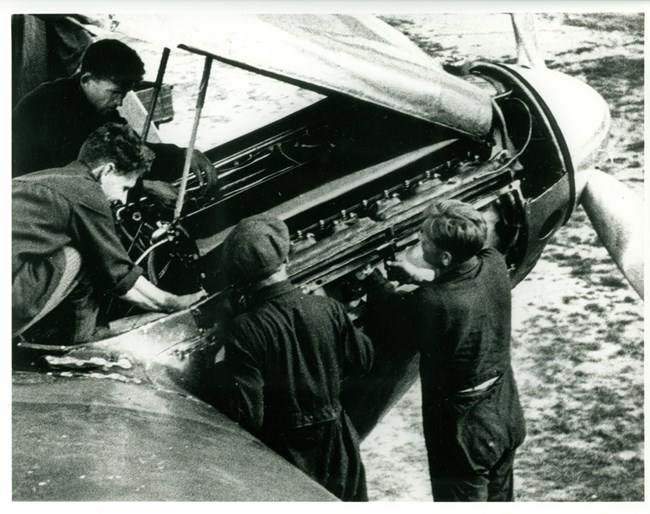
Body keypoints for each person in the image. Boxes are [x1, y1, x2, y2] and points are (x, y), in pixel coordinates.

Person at [360, 199, 526, 501]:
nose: (420, 240)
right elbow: (461, 283)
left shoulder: (432, 303)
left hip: (465, 435)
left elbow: (391, 314)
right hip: (504, 414)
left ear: (446, 256)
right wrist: (414, 275)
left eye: (425, 238)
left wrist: (373, 279)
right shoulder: (493, 262)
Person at [215, 214, 374, 501]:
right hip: (339, 442)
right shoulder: (328, 308)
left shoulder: (244, 329)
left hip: (287, 452)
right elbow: (363, 360)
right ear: (287, 258)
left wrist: (219, 368)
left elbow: (247, 415)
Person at [12, 122, 207, 344]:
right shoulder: (87, 192)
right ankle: (83, 343)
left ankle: (50, 333)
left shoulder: (47, 179)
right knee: (84, 255)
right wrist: (173, 303)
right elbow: (119, 275)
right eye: (125, 188)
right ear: (108, 170)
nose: (122, 200)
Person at [12, 38, 218, 208]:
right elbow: (71, 179)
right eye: (115, 93)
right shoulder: (49, 106)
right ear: (87, 79)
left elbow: (132, 150)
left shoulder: (96, 105)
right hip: (29, 201)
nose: (119, 102)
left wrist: (183, 155)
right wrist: (146, 187)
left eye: (124, 94)